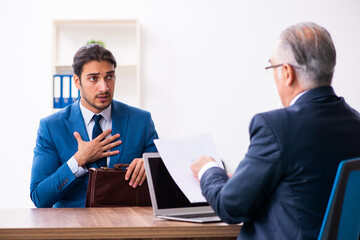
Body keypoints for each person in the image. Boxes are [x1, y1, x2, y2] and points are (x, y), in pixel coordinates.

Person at [191, 22, 360, 239]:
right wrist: (243, 180)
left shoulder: (277, 127)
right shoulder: (356, 123)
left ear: (286, 73)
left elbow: (230, 207)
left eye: (273, 68)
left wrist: (209, 169)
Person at [31, 44, 158, 208]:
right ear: (77, 81)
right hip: (74, 229)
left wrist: (149, 166)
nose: (104, 87)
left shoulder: (141, 120)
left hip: (128, 226)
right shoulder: (51, 127)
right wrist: (79, 160)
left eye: (109, 77)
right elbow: (39, 197)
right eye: (93, 78)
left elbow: (163, 181)